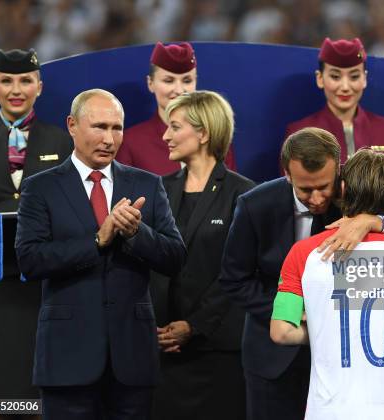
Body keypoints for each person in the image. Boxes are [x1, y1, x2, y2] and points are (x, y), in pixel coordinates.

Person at [220, 127, 384, 420]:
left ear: (339, 176)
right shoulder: (255, 204)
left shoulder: (357, 192)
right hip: (273, 358)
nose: (318, 199)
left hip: (347, 365)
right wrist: (303, 313)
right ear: (287, 174)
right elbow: (234, 278)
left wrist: (375, 221)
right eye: (305, 190)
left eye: (325, 187)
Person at [14, 88, 186, 420]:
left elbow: (175, 257)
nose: (109, 138)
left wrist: (136, 233)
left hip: (132, 359)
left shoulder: (147, 185)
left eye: (116, 128)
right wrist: (98, 239)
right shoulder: (41, 187)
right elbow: (31, 260)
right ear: (72, 125)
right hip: (67, 359)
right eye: (99, 127)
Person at [270, 148, 384, 420]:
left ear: (343, 188)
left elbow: (281, 332)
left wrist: (322, 327)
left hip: (328, 408)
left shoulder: (303, 253)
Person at [0, 48, 72, 420]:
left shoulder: (61, 142)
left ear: (40, 87)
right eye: (7, 81)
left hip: (42, 291)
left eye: (26, 80)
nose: (17, 89)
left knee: (39, 403)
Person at [154, 91, 255, 419]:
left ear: (204, 133)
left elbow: (238, 272)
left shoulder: (244, 194)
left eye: (175, 127)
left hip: (218, 351)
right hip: (164, 349)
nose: (165, 135)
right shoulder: (158, 189)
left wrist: (194, 326)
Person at [285, 37, 384, 184]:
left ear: (365, 79)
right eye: (335, 76)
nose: (345, 86)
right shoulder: (298, 132)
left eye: (354, 76)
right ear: (320, 78)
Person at [116, 41, 237, 175]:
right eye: (169, 81)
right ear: (150, 83)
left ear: (196, 81)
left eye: (187, 81)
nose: (179, 90)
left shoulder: (215, 136)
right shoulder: (131, 142)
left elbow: (231, 190)